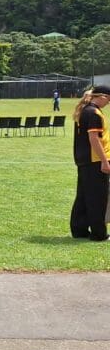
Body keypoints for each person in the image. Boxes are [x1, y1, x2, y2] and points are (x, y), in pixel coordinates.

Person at [71, 86, 110, 241]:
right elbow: (94, 139)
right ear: (102, 96)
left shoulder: (84, 110)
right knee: (97, 198)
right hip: (95, 161)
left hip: (85, 160)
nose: (108, 103)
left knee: (84, 195)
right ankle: (99, 234)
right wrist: (104, 161)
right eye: (109, 99)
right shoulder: (93, 113)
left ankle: (79, 229)